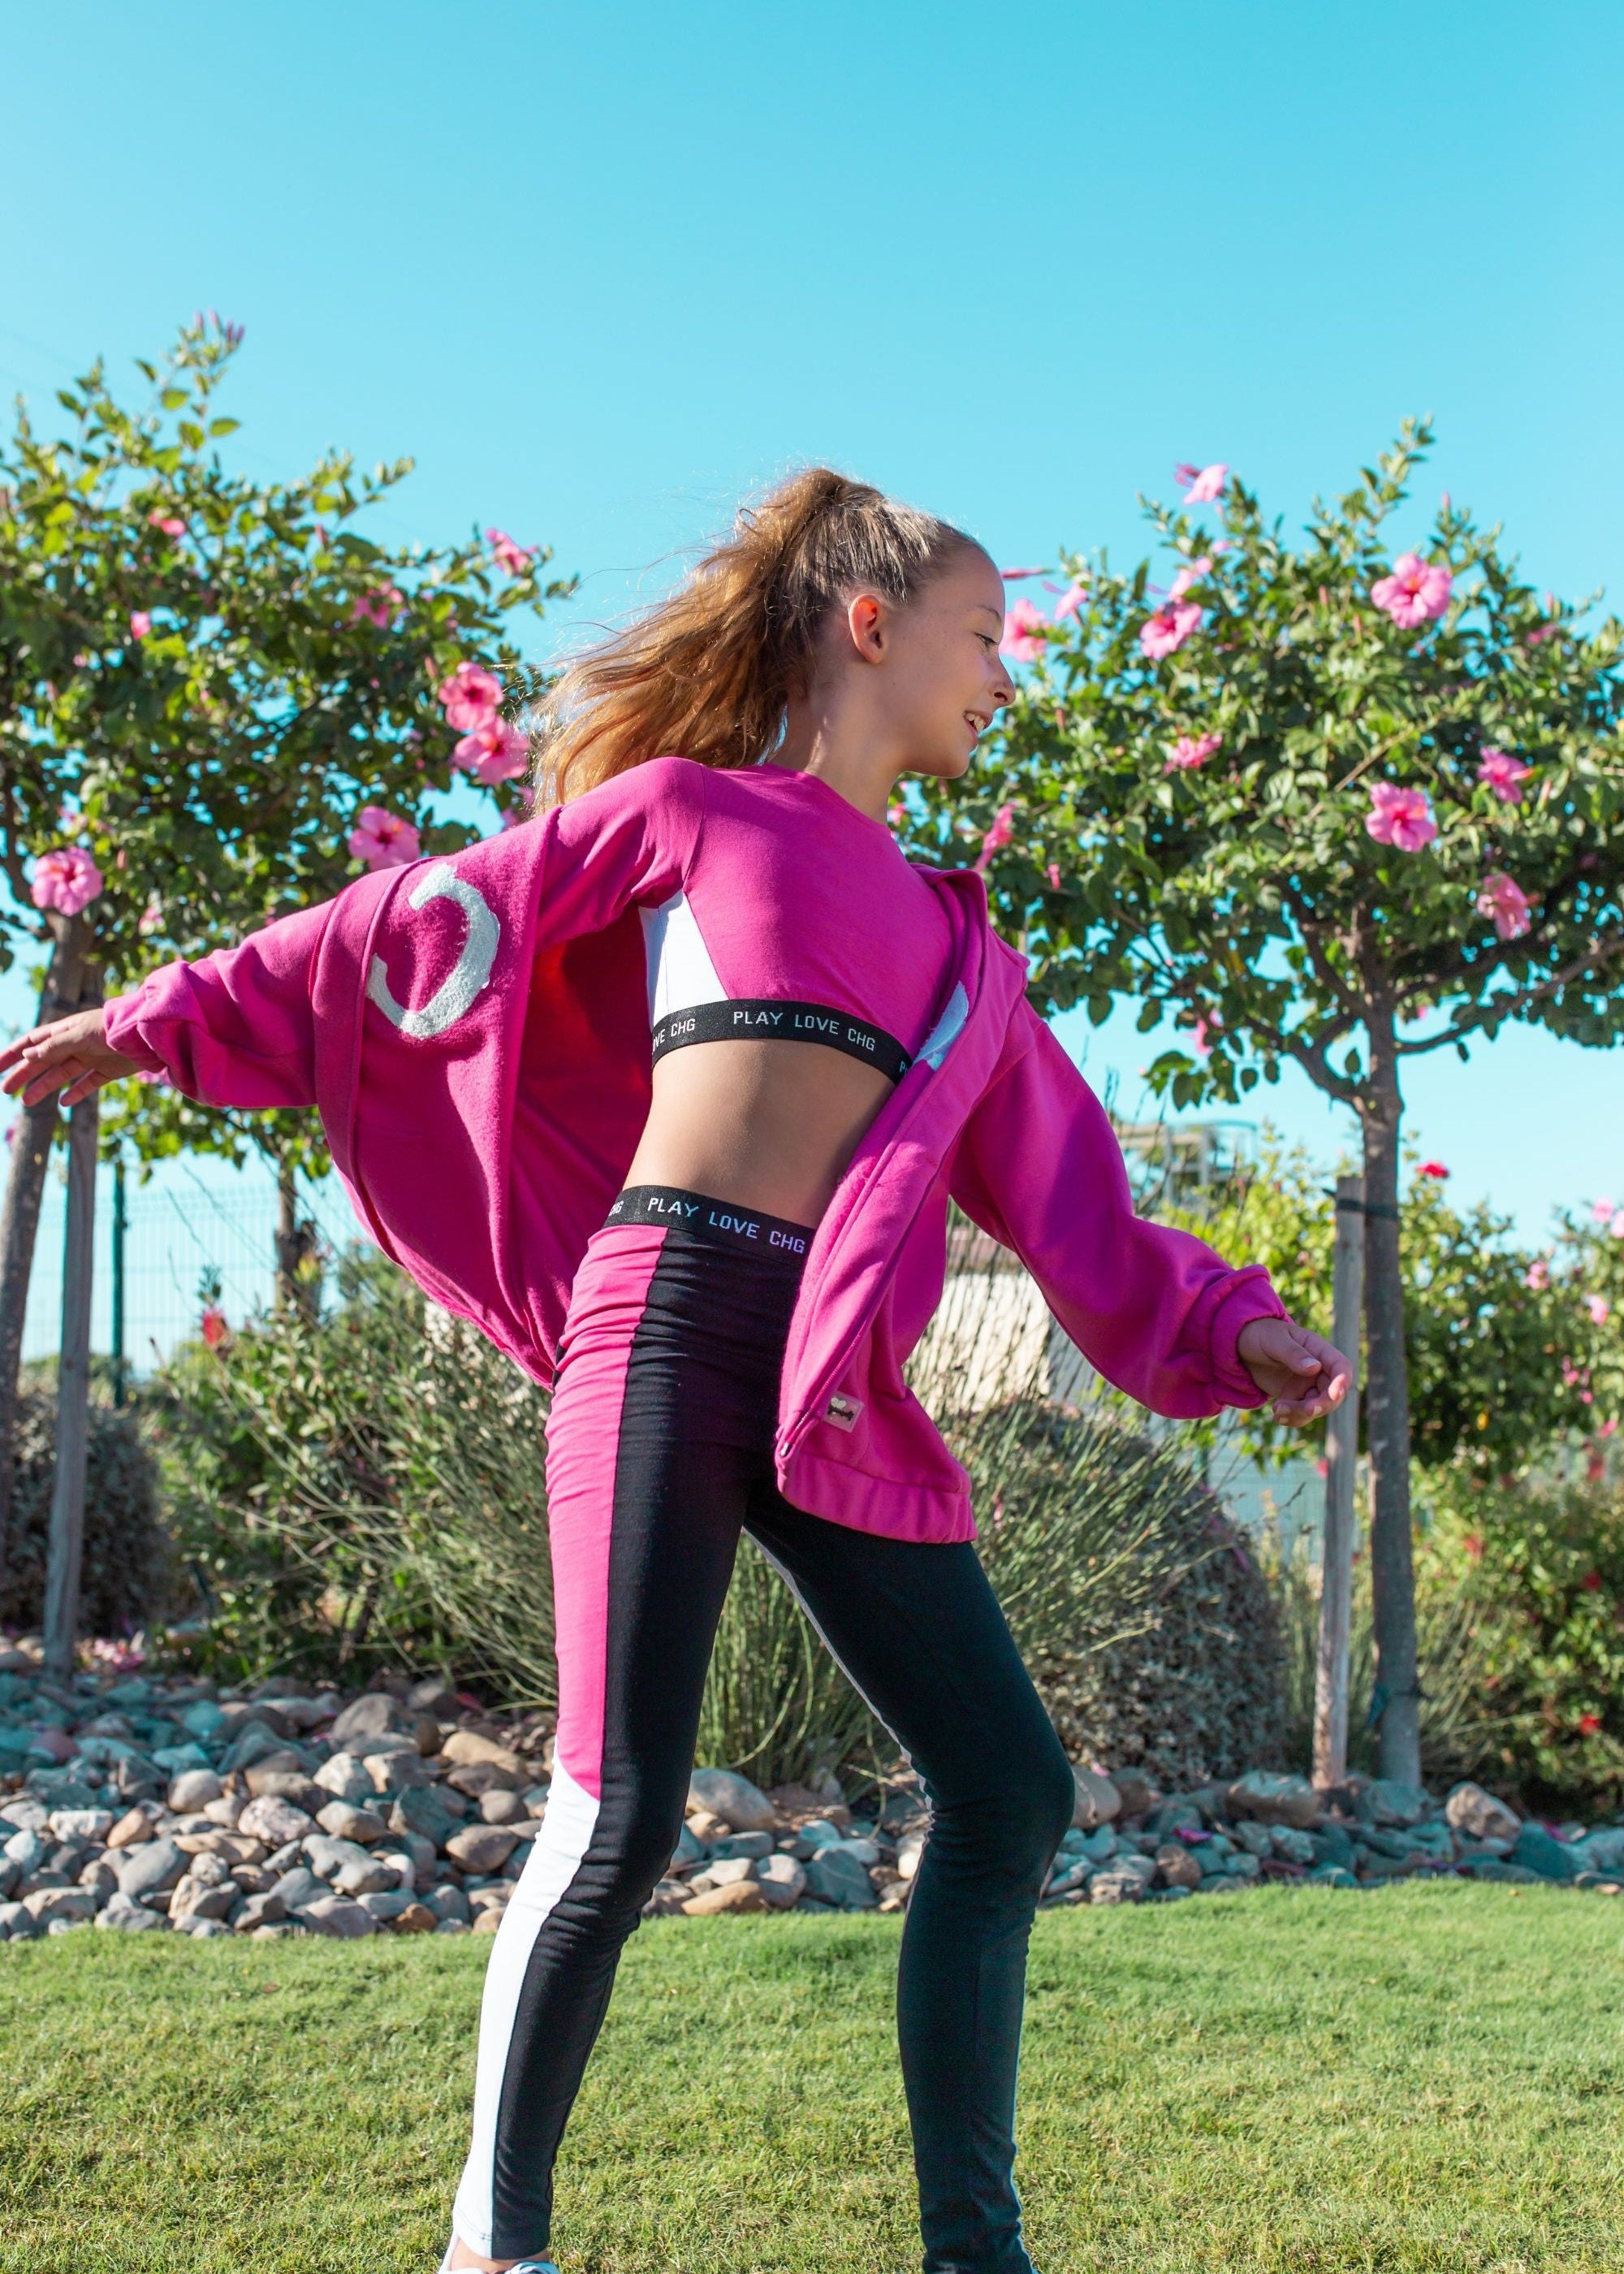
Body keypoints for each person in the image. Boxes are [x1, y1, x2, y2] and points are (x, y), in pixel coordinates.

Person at [0, 470, 1350, 2274]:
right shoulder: (694, 811)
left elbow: (1075, 1194)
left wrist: (1232, 1324)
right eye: (981, 637)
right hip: (662, 1318)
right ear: (867, 626)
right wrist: (158, 1018)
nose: (1002, 677)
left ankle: (977, 2253)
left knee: (1010, 1787)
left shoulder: (963, 948)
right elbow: (420, 926)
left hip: (825, 1368)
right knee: (621, 1804)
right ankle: (497, 2249)